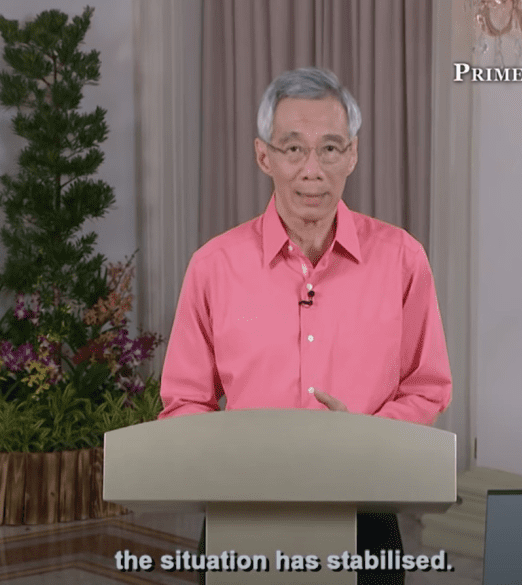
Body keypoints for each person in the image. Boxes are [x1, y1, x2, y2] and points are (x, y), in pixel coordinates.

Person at [159, 66, 452, 585]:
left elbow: (427, 387)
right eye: (293, 148)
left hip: (366, 511)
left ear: (353, 155)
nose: (312, 169)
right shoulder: (213, 266)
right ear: (263, 156)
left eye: (330, 148)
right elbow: (184, 401)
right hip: (241, 512)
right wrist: (231, 451)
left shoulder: (402, 259)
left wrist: (363, 439)